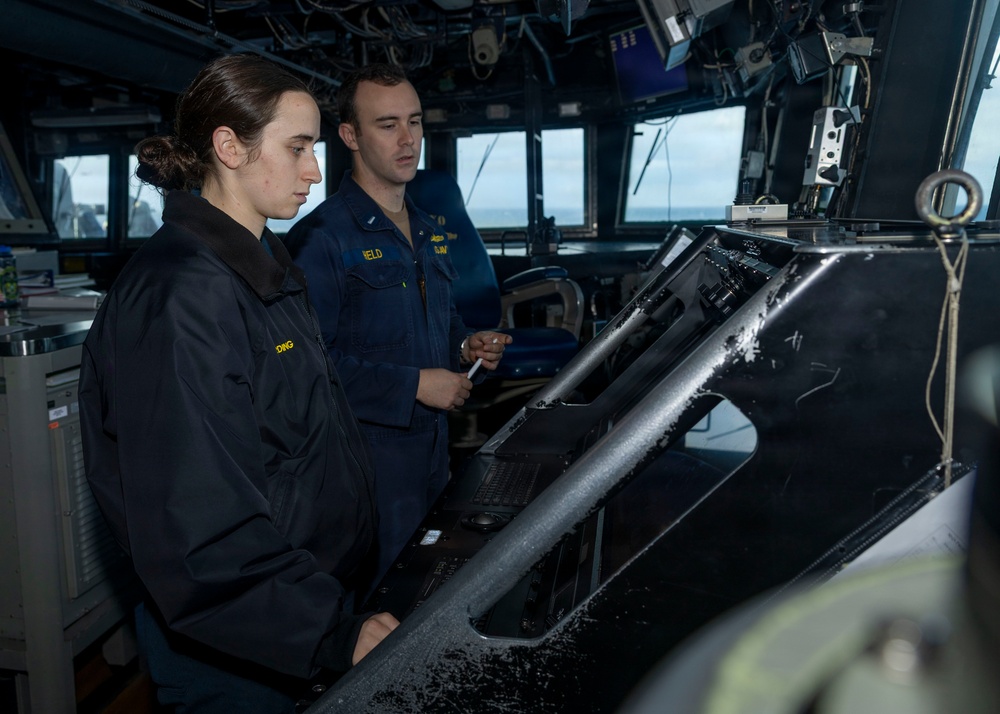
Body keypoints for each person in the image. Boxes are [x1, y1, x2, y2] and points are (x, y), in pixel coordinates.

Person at [79, 53, 399, 713]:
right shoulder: (181, 297)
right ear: (229, 145)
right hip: (242, 643)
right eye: (298, 147)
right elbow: (199, 530)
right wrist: (329, 632)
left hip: (290, 610)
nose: (315, 171)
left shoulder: (262, 270)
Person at [284, 63, 512, 584]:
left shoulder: (430, 230)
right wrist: (415, 385)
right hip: (366, 460)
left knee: (428, 580)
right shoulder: (321, 240)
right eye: (387, 125)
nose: (408, 140)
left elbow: (442, 315)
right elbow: (306, 367)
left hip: (432, 445)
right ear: (351, 136)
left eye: (415, 122)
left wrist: (463, 346)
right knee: (382, 600)